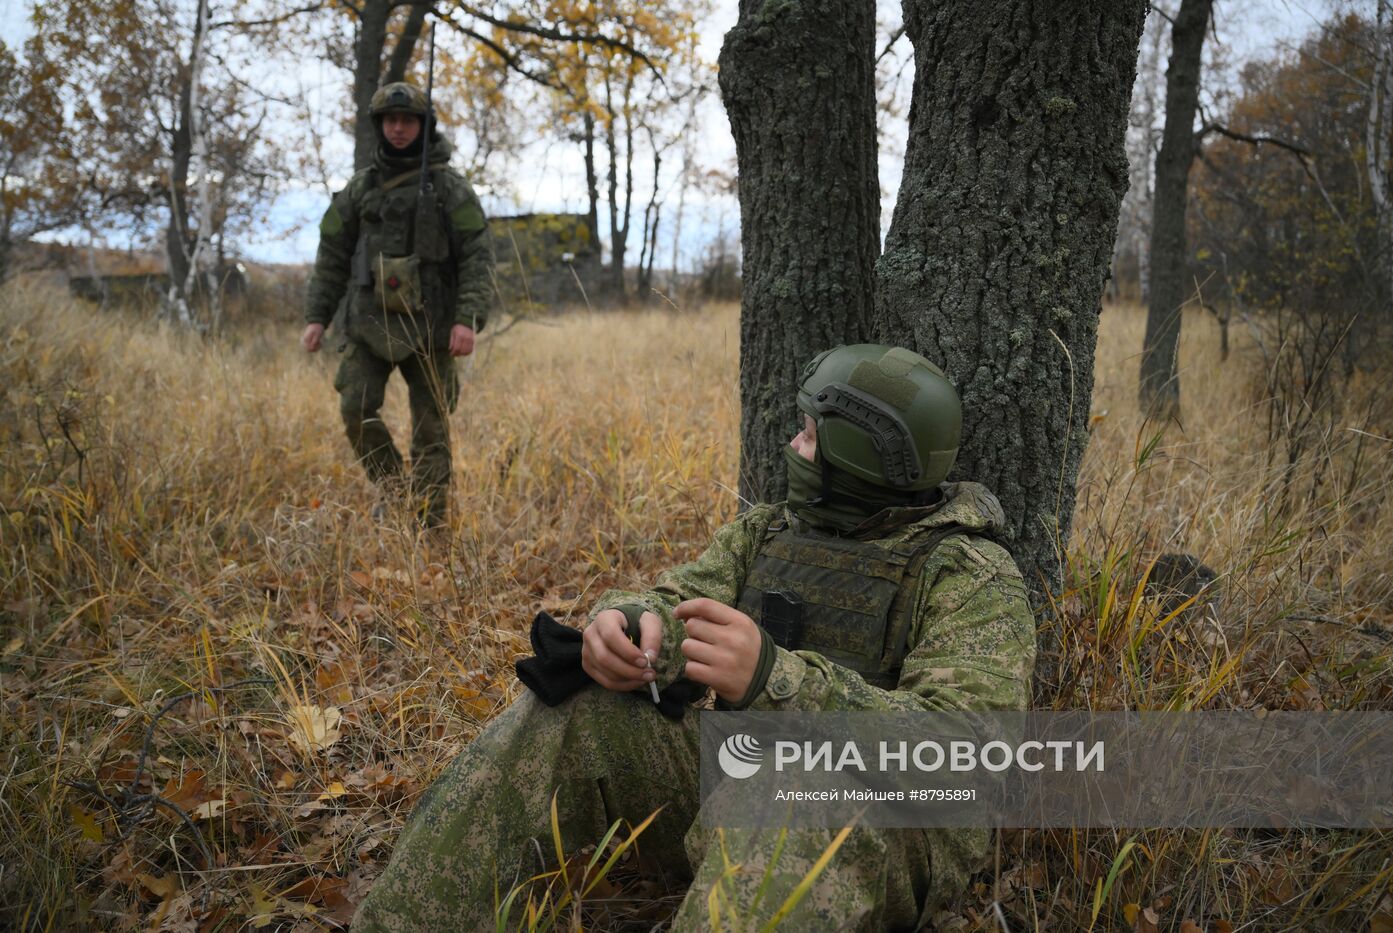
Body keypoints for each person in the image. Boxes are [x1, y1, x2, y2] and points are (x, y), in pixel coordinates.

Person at [351, 344, 1036, 930]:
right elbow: (675, 599)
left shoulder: (968, 573)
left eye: (808, 433)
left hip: (886, 829)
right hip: (742, 788)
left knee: (786, 794)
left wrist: (775, 679)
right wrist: (623, 626)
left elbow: (967, 752)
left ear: (859, 453)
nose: (792, 445)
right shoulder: (769, 532)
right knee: (571, 706)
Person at [301, 81, 492, 527]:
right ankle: (396, 491)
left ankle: (427, 523)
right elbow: (330, 254)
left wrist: (467, 320)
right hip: (368, 324)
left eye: (408, 120)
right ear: (379, 125)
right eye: (391, 120)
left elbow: (478, 257)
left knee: (432, 427)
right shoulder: (359, 189)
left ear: (424, 126)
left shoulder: (450, 189)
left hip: (433, 326)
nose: (399, 128)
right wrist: (317, 316)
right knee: (354, 407)